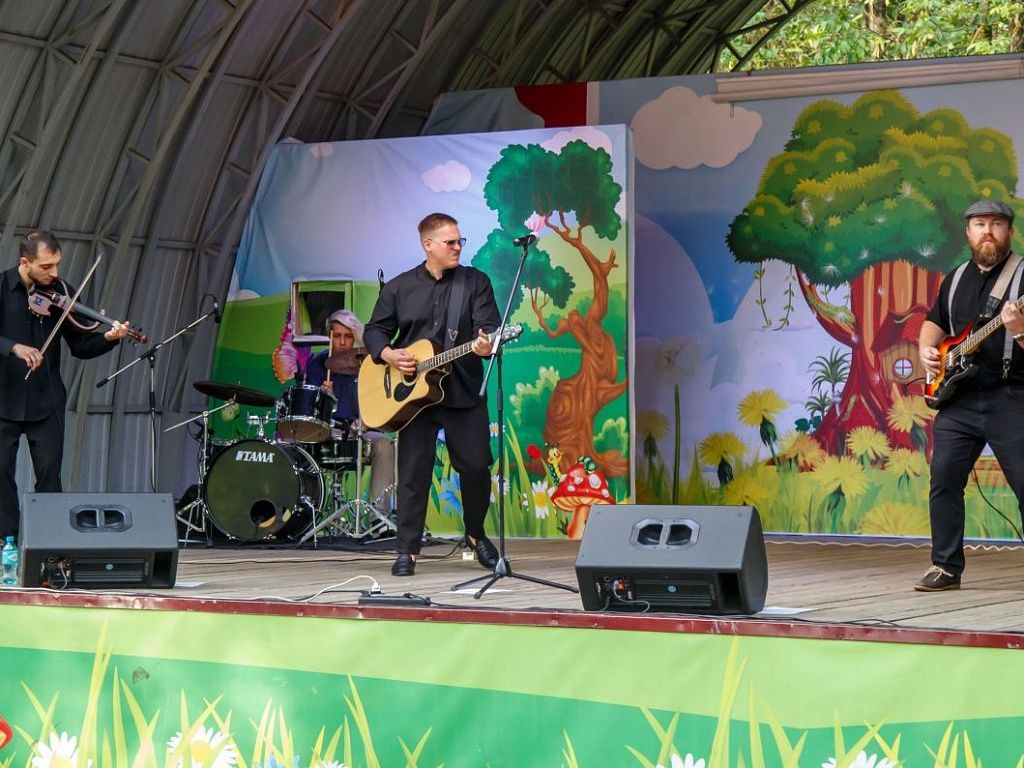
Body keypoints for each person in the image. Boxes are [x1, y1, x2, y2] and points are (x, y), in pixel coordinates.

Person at [363, 212, 501, 577]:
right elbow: (374, 331)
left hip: (463, 390)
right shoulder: (399, 288)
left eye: (460, 241)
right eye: (450, 242)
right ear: (428, 245)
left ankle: (475, 534)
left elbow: (489, 329)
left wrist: (486, 344)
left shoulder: (475, 282)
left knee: (475, 466)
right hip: (414, 399)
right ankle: (407, 550)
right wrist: (388, 354)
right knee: (414, 473)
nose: (458, 247)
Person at [917, 199, 1024, 591]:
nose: (988, 231)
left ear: (1009, 231)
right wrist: (926, 350)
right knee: (944, 479)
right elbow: (935, 322)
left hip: (1011, 396)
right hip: (959, 399)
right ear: (968, 232)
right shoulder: (956, 277)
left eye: (996, 224)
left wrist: (1018, 329)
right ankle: (945, 567)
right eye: (980, 224)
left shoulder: (1022, 276)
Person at [0, 230, 131, 540]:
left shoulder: (62, 293)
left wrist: (109, 338)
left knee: (49, 476)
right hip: (4, 399)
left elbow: (81, 346)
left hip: (46, 400)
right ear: (25, 262)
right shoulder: (2, 288)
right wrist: (14, 347)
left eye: (57, 264)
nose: (54, 273)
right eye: (46, 266)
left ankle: (47, 542)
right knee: (1, 475)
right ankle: (7, 540)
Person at [305, 308, 396, 511]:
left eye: (347, 336)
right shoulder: (318, 364)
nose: (342, 342)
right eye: (337, 336)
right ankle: (309, 513)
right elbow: (307, 409)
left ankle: (379, 517)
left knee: (384, 444)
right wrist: (321, 396)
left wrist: (365, 422)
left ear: (355, 337)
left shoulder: (366, 364)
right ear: (329, 336)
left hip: (359, 432)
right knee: (301, 444)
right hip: (325, 432)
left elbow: (377, 403)